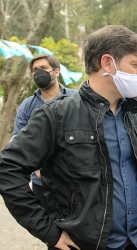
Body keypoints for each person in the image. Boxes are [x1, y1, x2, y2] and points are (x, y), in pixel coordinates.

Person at [0, 25, 137, 250]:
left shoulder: (131, 111)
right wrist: (49, 232)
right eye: (135, 65)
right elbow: (7, 168)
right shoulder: (57, 114)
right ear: (108, 63)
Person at [13, 54, 77, 207]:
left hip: (75, 180)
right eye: (35, 70)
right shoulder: (28, 105)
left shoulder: (76, 99)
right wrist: (35, 167)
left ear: (56, 72)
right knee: (47, 228)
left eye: (43, 68)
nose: (38, 72)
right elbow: (18, 140)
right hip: (42, 184)